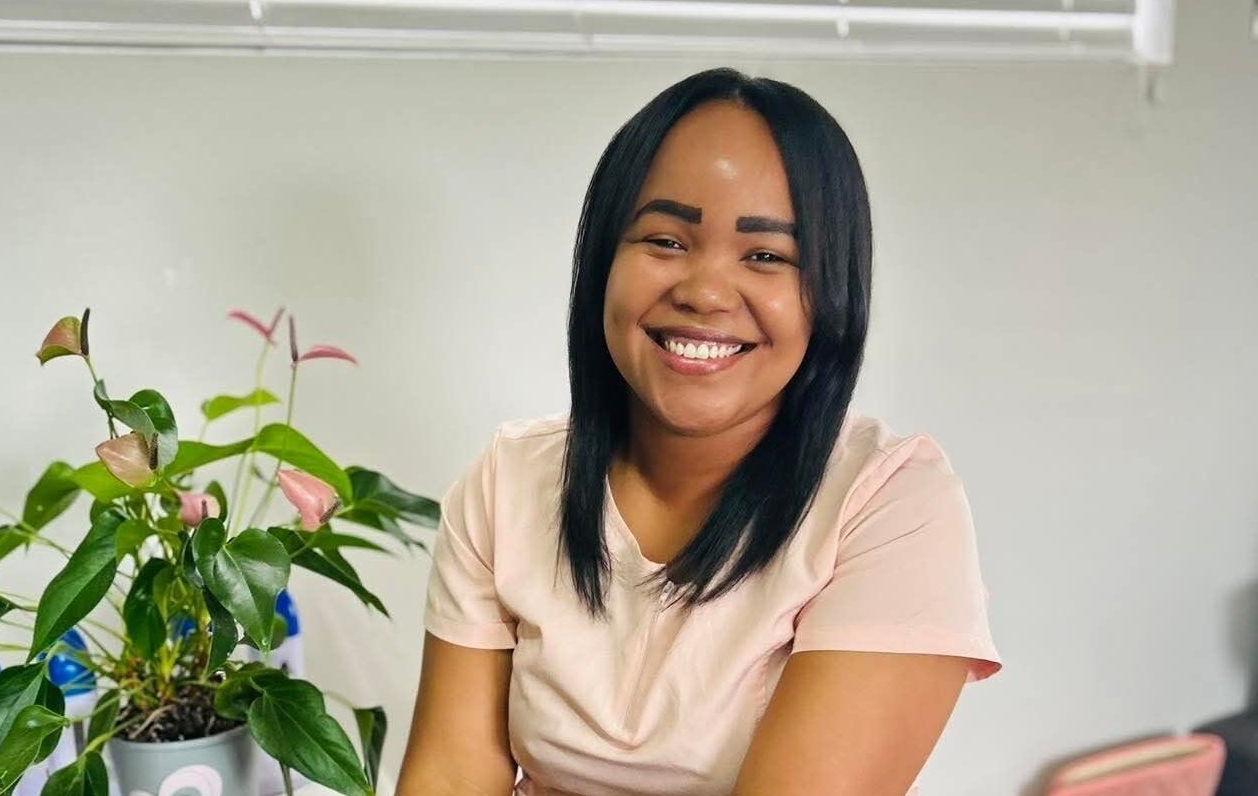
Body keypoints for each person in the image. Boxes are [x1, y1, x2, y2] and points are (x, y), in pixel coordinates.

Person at [396, 67, 1001, 796]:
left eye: (767, 256)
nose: (706, 291)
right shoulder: (508, 482)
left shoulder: (889, 506)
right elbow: (451, 776)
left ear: (830, 291)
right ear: (602, 263)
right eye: (666, 240)